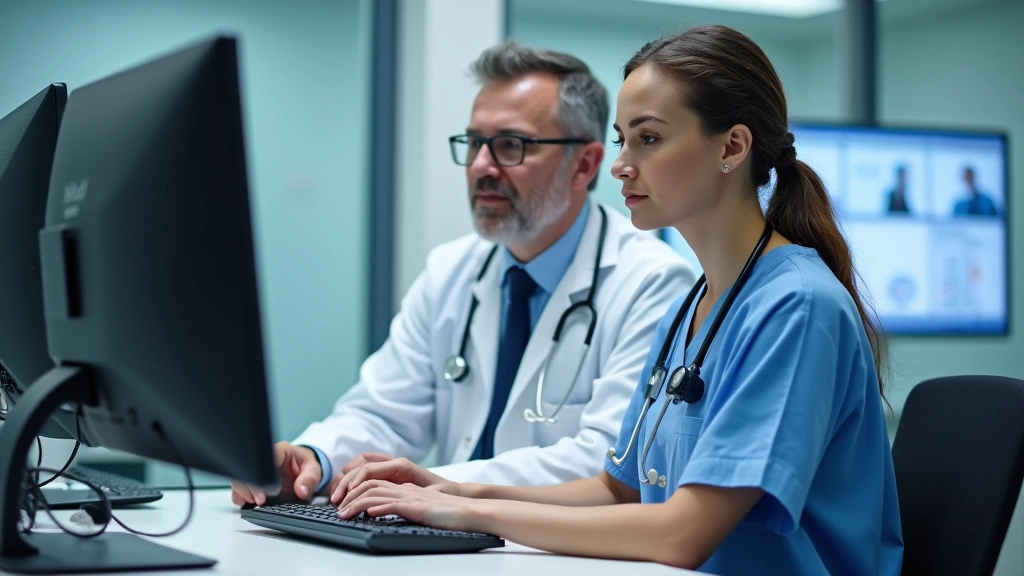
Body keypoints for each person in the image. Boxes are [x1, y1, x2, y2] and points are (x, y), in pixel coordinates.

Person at [330, 24, 904, 575]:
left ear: (732, 146)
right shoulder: (696, 305)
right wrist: (452, 487)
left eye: (649, 138)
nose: (623, 165)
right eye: (622, 139)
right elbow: (617, 487)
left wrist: (463, 512)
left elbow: (682, 532)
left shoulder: (796, 307)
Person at [231, 42, 696, 506]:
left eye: (510, 145)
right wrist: (316, 458)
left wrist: (436, 485)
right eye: (474, 143)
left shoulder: (652, 284)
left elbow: (609, 463)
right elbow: (384, 414)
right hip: (447, 540)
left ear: (585, 164)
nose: (480, 166)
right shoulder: (450, 271)